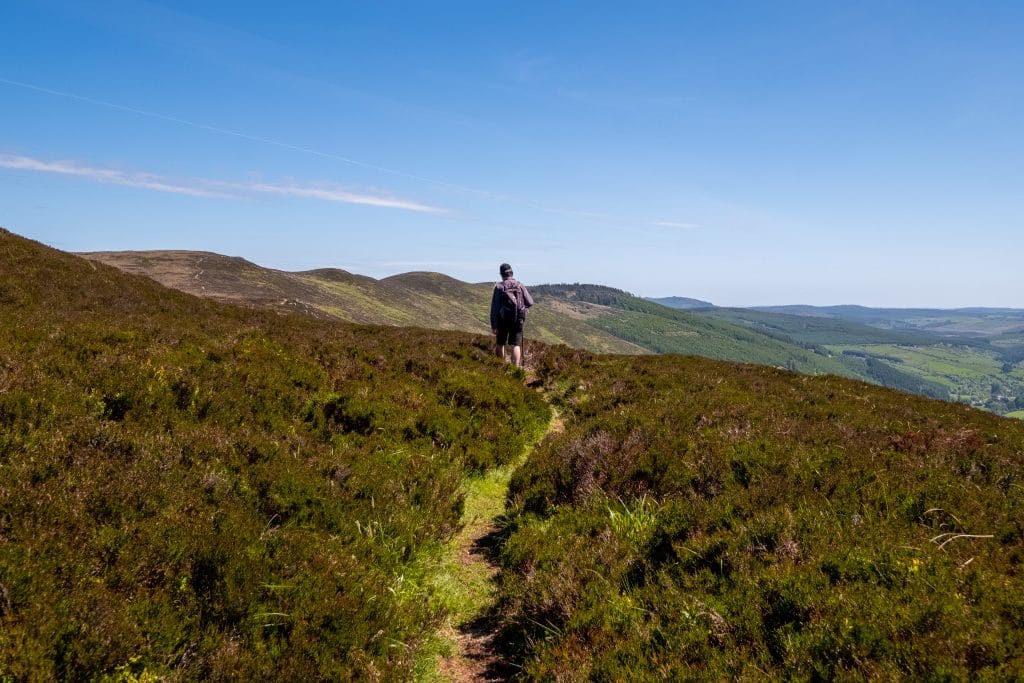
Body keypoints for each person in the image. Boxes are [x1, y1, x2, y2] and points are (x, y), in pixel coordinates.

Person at [490, 263, 534, 368]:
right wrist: (524, 309)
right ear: (511, 272)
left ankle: (500, 366)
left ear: (501, 274)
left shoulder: (499, 287)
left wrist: (494, 325)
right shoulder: (519, 285)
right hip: (518, 319)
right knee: (516, 344)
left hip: (502, 319)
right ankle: (515, 368)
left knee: (500, 343)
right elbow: (530, 302)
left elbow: (495, 308)